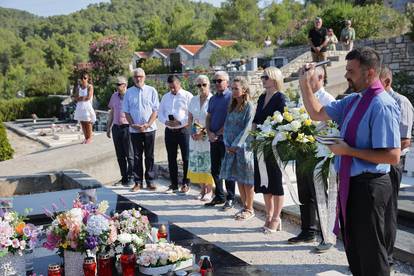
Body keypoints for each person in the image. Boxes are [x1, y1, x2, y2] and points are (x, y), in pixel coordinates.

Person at [299, 47, 400, 276]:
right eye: (346, 70)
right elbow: (316, 113)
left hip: (371, 186)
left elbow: (392, 155)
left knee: (372, 254)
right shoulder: (354, 100)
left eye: (351, 71)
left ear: (370, 72)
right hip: (352, 185)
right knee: (355, 251)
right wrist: (305, 83)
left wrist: (349, 151)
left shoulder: (382, 104)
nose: (346, 75)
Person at [289, 67, 335, 253]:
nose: (306, 81)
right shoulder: (303, 98)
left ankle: (326, 235)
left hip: (319, 153)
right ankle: (308, 230)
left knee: (319, 195)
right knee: (304, 192)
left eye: (310, 78)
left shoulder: (328, 99)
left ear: (321, 78)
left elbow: (331, 128)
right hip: (303, 151)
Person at [380, 64, 414, 269]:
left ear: (387, 82)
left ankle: (387, 258)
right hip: (375, 162)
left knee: (388, 211)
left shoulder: (402, 102)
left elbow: (404, 141)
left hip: (392, 163)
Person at [253, 67, 286, 232]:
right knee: (264, 182)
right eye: (262, 77)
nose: (263, 79)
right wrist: (253, 137)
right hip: (259, 144)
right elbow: (256, 119)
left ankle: (276, 218)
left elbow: (283, 122)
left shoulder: (281, 98)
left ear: (274, 79)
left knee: (275, 182)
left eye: (265, 77)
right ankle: (268, 214)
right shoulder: (261, 97)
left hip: (274, 145)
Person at [220, 76, 255, 220]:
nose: (233, 91)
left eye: (236, 88)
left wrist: (236, 144)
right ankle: (244, 206)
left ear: (244, 89)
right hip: (231, 148)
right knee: (238, 178)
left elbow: (248, 128)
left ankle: (250, 208)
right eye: (232, 88)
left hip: (244, 148)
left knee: (247, 179)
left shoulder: (249, 106)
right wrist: (227, 142)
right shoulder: (232, 105)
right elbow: (227, 125)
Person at [123, 68, 159, 192]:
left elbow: (155, 110)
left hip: (149, 129)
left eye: (141, 76)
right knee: (137, 156)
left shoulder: (152, 91)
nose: (138, 79)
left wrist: (148, 124)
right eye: (136, 77)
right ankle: (138, 182)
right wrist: (133, 124)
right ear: (133, 78)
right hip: (135, 130)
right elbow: (126, 111)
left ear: (144, 77)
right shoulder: (129, 92)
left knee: (149, 156)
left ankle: (150, 181)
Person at [204, 71, 236, 210]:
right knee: (215, 169)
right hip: (213, 138)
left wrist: (218, 133)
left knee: (227, 169)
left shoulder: (231, 97)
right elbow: (208, 117)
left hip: (226, 139)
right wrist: (209, 132)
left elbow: (230, 119)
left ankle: (230, 198)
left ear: (227, 82)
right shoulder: (213, 99)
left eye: (220, 80)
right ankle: (219, 196)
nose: (217, 83)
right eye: (215, 81)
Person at [158, 75, 193, 194]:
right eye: (170, 87)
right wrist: (166, 121)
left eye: (174, 87)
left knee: (186, 158)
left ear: (179, 83)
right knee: (171, 158)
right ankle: (173, 184)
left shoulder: (187, 96)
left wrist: (181, 122)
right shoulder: (165, 97)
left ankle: (186, 183)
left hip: (183, 130)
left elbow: (191, 114)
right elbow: (160, 113)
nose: (172, 89)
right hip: (169, 131)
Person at [187, 75, 215, 201]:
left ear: (209, 85)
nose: (201, 87)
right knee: (198, 163)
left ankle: (209, 191)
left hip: (207, 136)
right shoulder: (193, 99)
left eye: (204, 84)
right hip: (194, 136)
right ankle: (202, 189)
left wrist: (202, 133)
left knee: (207, 163)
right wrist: (192, 132)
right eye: (199, 85)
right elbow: (190, 117)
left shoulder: (213, 99)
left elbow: (213, 120)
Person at [107, 76, 134, 187]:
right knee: (120, 155)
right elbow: (112, 112)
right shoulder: (114, 96)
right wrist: (108, 127)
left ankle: (131, 177)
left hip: (127, 127)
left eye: (119, 84)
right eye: (116, 84)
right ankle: (124, 177)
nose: (117, 86)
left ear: (125, 85)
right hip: (116, 128)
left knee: (130, 154)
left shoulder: (131, 96)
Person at [73, 71, 96, 144]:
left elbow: (88, 97)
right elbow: (76, 97)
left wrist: (80, 98)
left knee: (88, 122)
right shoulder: (78, 87)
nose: (83, 79)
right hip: (80, 107)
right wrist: (81, 98)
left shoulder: (90, 86)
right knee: (82, 122)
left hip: (87, 107)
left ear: (87, 79)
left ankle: (89, 138)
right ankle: (86, 138)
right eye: (82, 78)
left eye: (85, 78)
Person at [308, 17, 328, 85]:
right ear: (314, 23)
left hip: (322, 50)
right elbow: (309, 40)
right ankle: (316, 80)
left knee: (323, 65)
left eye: (319, 22)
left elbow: (326, 40)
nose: (317, 23)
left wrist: (320, 47)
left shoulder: (324, 29)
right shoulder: (311, 30)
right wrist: (314, 47)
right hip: (314, 51)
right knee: (315, 66)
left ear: (321, 23)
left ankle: (325, 79)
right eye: (316, 22)